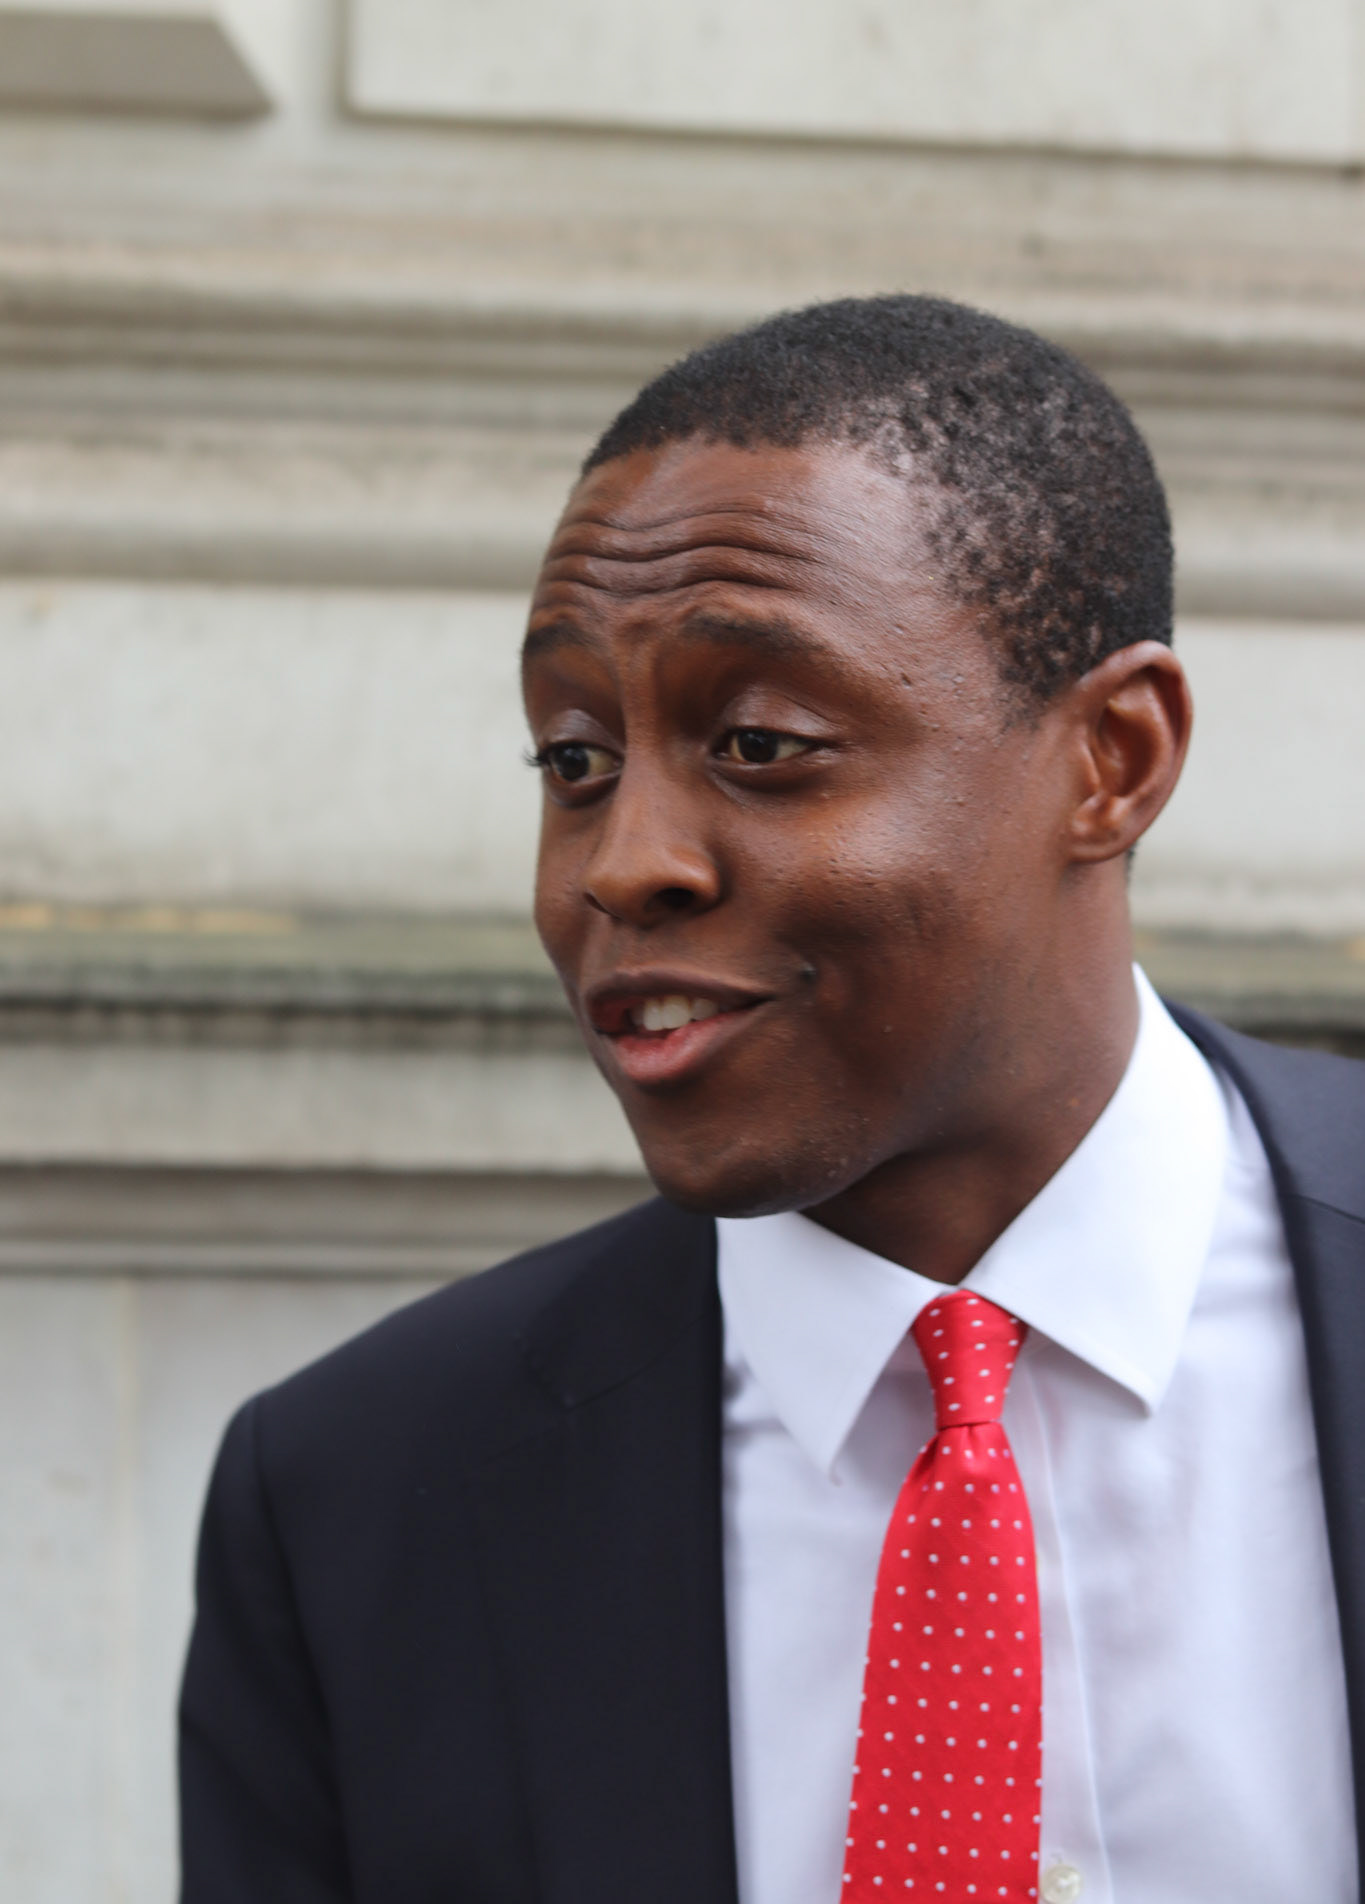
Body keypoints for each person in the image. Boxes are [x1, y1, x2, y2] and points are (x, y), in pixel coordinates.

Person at [178, 296, 1365, 1904]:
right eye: (574, 760)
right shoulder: (357, 1503)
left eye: (759, 742)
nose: (622, 865)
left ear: (1112, 758)